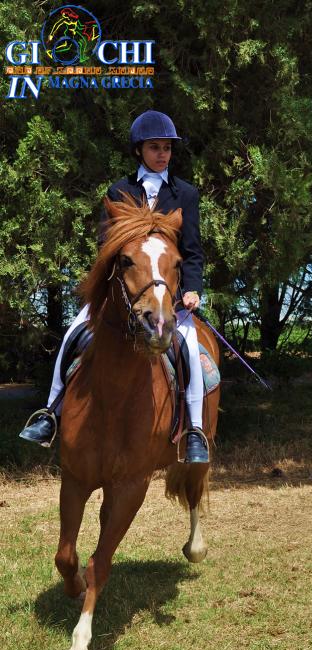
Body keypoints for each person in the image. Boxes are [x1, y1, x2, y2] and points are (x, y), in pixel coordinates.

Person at [19, 109, 209, 463]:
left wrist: (192, 288)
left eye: (167, 147)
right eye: (155, 147)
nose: (163, 154)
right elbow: (107, 249)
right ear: (139, 150)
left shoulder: (186, 194)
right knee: (73, 334)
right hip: (122, 292)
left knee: (191, 350)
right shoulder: (119, 191)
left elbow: (192, 251)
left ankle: (195, 431)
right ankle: (49, 413)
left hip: (169, 297)